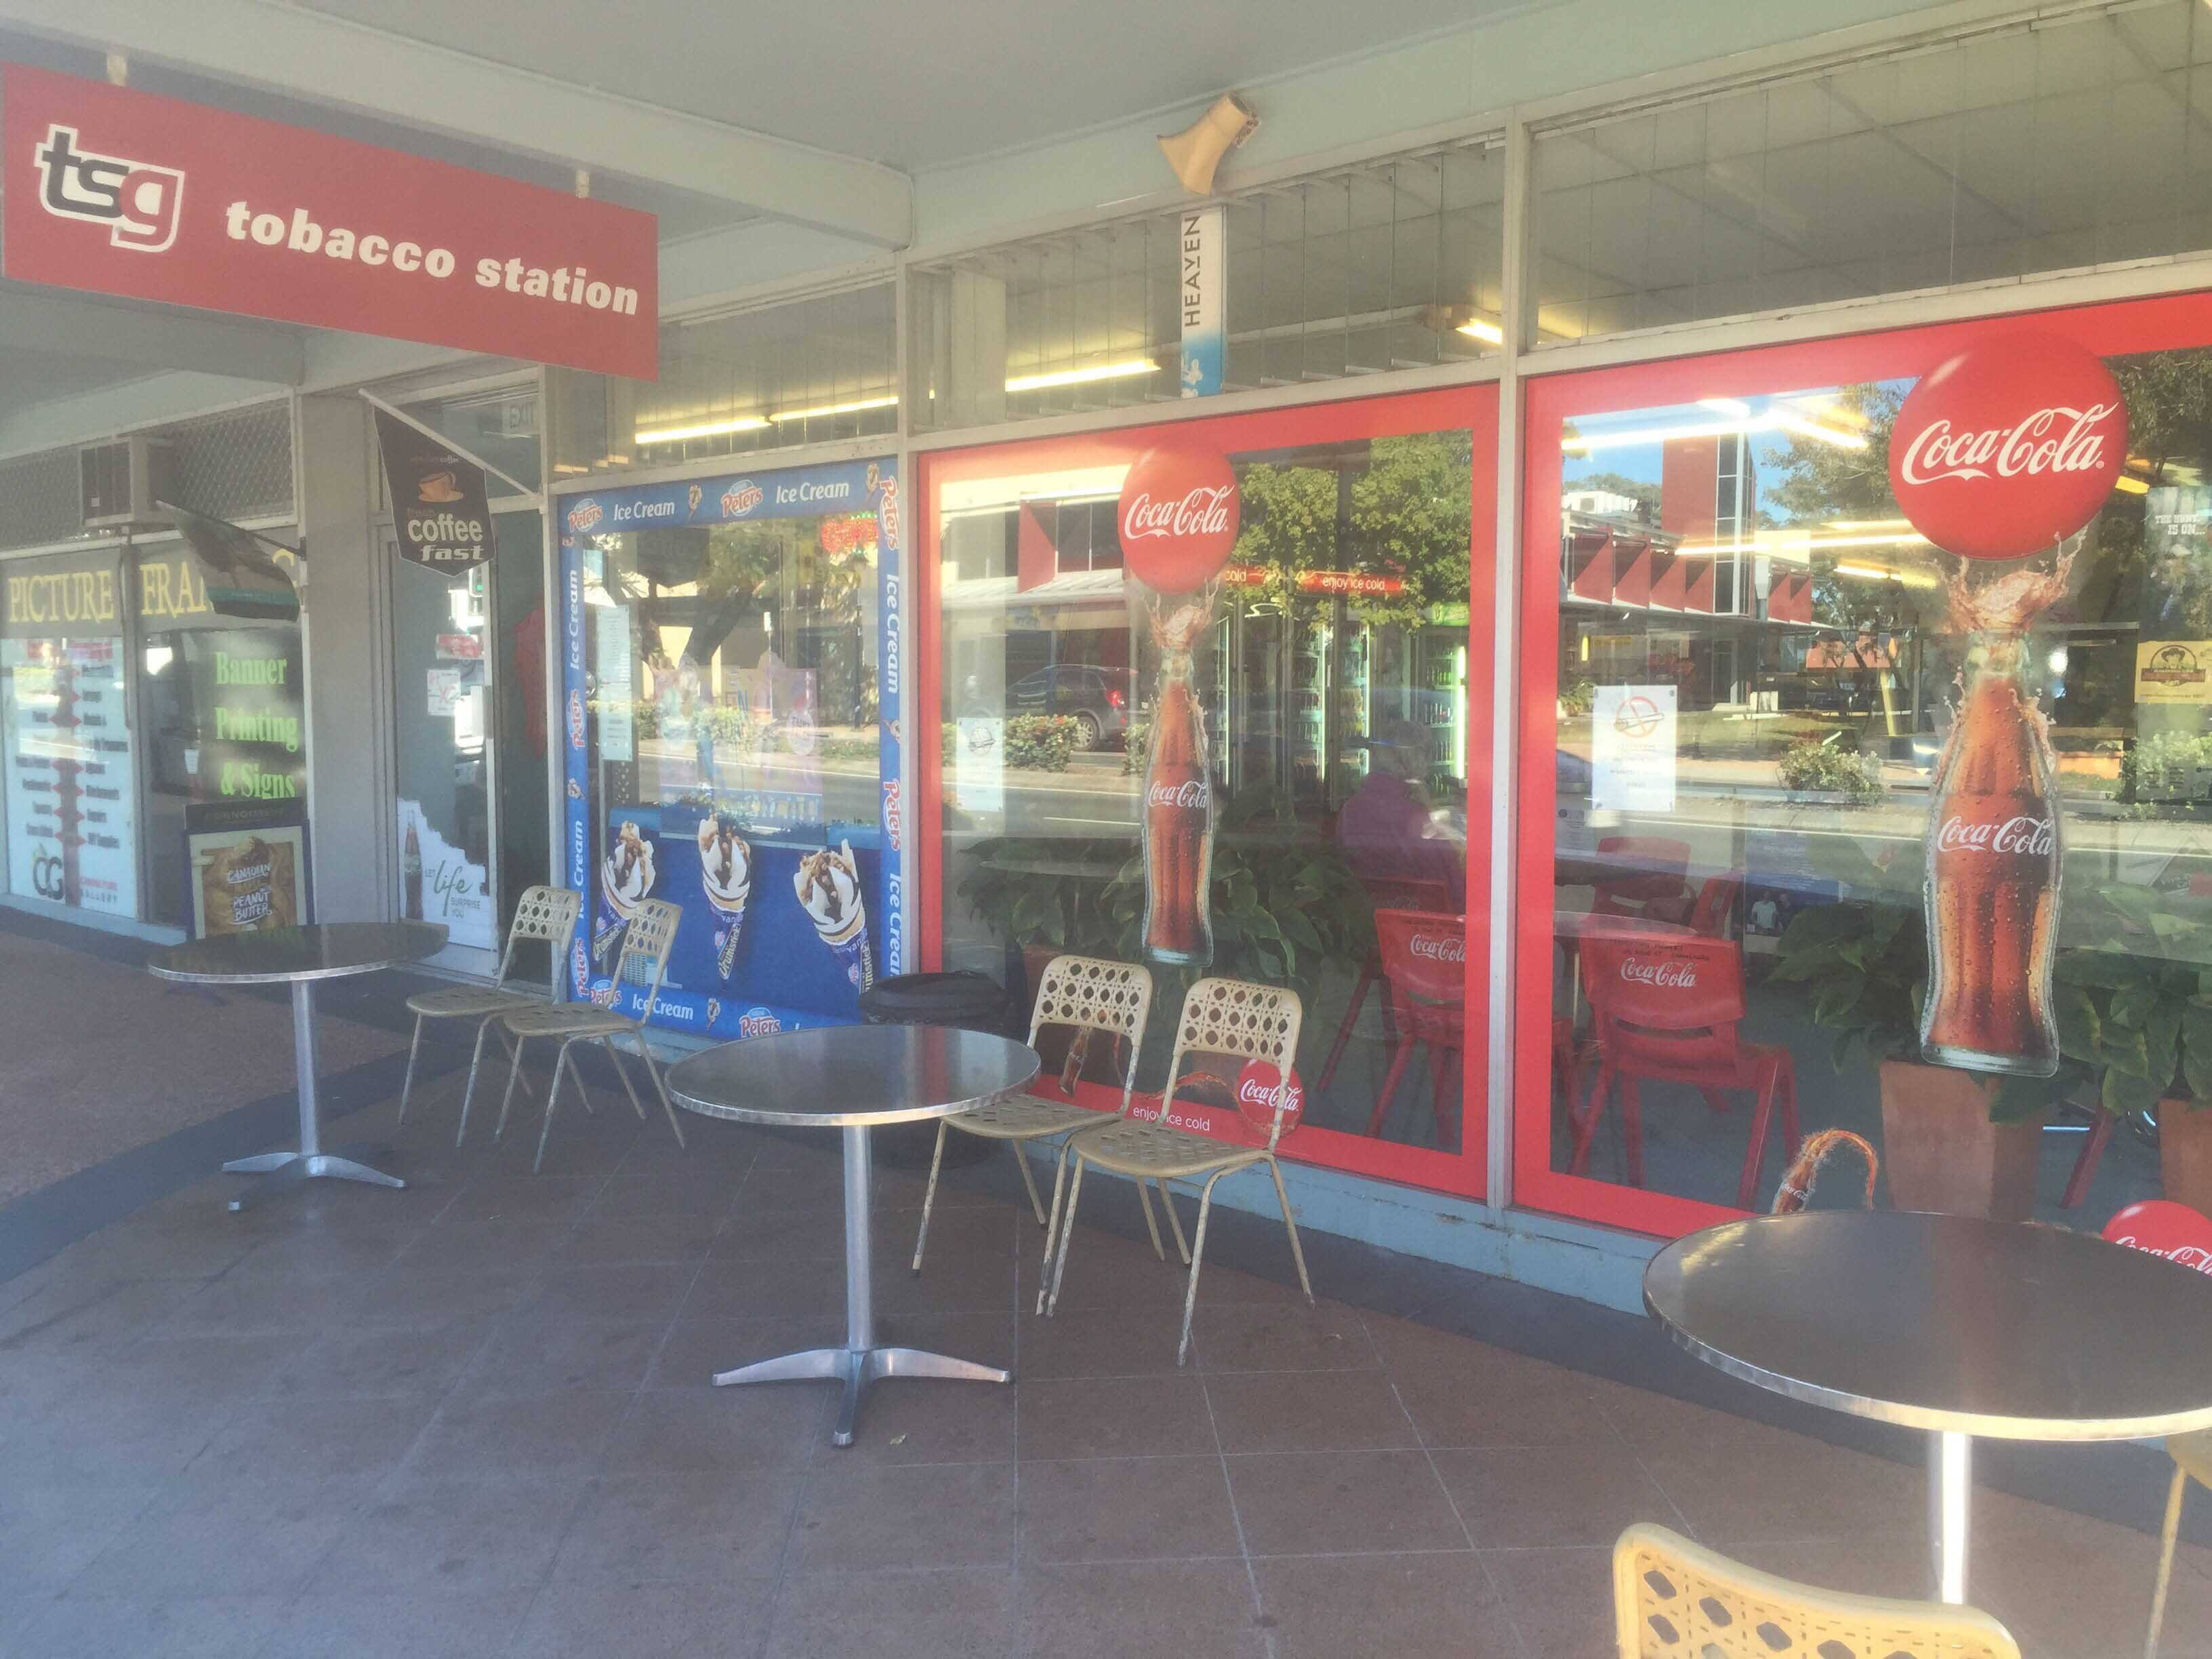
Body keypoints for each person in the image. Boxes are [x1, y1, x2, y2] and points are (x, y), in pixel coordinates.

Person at [1336, 717, 1464, 909]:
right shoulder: (1415, 818)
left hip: (1362, 920)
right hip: (1418, 922)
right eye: (1427, 754)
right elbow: (1452, 888)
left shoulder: (1350, 809)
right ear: (1416, 758)